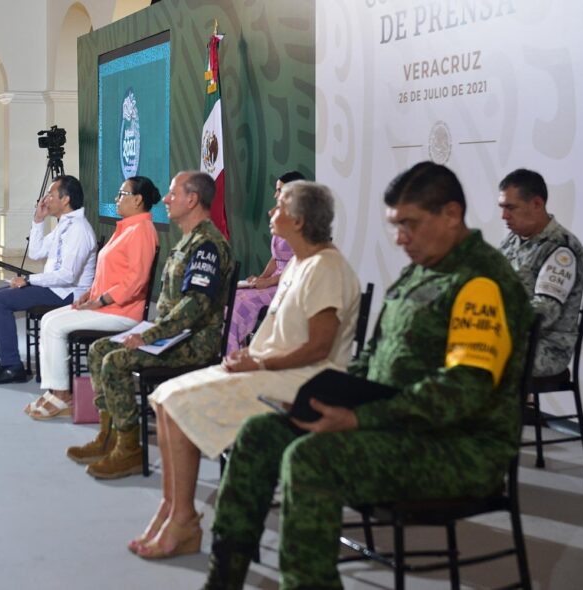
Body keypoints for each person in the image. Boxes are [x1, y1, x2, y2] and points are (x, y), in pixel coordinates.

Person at [203, 162, 534, 589]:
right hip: (395, 429)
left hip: (457, 447)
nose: (400, 239)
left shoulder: (481, 282)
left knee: (309, 461)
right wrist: (321, 398)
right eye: (396, 226)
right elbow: (373, 360)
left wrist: (359, 419)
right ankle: (223, 577)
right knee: (260, 435)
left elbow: (461, 392)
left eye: (410, 225)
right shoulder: (422, 271)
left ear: (451, 214)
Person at [131, 180, 361, 560]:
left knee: (174, 402)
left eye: (281, 206)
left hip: (301, 383)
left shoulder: (327, 268)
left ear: (300, 221)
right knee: (165, 397)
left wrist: (259, 361)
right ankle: (174, 511)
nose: (272, 212)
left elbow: (320, 346)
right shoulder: (301, 263)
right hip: (267, 370)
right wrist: (249, 359)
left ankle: (182, 520)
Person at [65, 171, 234, 479]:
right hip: (173, 335)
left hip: (193, 342)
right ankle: (110, 435)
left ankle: (129, 449)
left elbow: (194, 308)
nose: (166, 199)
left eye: (173, 194)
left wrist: (150, 336)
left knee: (115, 360)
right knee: (99, 348)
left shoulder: (207, 244)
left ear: (192, 199)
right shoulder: (190, 240)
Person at [25, 176, 160, 419]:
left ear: (138, 200)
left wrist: (101, 300)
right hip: (103, 306)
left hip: (121, 313)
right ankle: (54, 389)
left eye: (122, 194)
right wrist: (88, 294)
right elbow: (107, 274)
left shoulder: (142, 231)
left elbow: (135, 281)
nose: (117, 199)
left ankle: (63, 395)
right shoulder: (126, 228)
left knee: (55, 326)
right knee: (48, 320)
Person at [0, 175, 96, 384]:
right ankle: (7, 362)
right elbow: (36, 252)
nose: (46, 199)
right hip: (56, 288)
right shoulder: (64, 224)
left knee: (0, 300)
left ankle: (12, 366)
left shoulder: (78, 229)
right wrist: (38, 221)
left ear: (65, 199)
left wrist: (30, 280)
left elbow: (68, 275)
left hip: (68, 293)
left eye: (51, 194)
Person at [498, 168, 583, 376]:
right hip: (511, 338)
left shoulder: (561, 249)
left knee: (476, 355)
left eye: (511, 207)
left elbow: (544, 312)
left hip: (545, 348)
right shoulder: (513, 240)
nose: (504, 215)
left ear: (537, 204)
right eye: (502, 207)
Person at [226, 171, 306, 353]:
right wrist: (259, 280)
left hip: (289, 286)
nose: (274, 195)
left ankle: (234, 352)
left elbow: (296, 264)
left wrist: (267, 282)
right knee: (232, 294)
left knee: (239, 303)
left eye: (279, 190)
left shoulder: (302, 224)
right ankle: (234, 352)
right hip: (274, 281)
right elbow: (276, 258)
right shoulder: (284, 219)